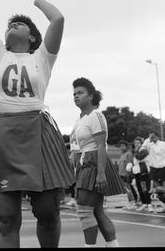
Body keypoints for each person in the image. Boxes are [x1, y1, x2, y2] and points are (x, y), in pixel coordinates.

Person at [0, 0, 75, 248]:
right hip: (2, 135)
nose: (12, 25)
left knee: (47, 213)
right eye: (10, 24)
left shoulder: (42, 58)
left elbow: (58, 19)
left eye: (19, 24)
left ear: (33, 38)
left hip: (37, 133)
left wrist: (38, 1)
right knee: (7, 219)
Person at [72, 77, 126, 247]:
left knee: (84, 211)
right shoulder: (81, 119)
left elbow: (101, 145)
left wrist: (101, 173)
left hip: (95, 162)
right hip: (85, 163)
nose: (75, 96)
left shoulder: (96, 115)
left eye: (80, 92)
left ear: (91, 95)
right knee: (96, 211)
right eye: (74, 93)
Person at [132, 137, 153, 212]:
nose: (136, 144)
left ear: (141, 144)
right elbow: (135, 162)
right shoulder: (136, 151)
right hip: (137, 172)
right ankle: (144, 204)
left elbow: (140, 158)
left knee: (146, 189)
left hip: (144, 172)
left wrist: (135, 152)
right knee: (140, 189)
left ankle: (149, 205)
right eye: (135, 143)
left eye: (138, 143)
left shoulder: (144, 150)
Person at [117, 140, 138, 209]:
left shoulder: (128, 154)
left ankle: (133, 202)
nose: (121, 148)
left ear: (126, 147)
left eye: (123, 146)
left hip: (126, 174)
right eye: (120, 146)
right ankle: (130, 202)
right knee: (126, 189)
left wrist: (128, 174)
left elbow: (129, 165)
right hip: (121, 174)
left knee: (128, 189)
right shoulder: (122, 154)